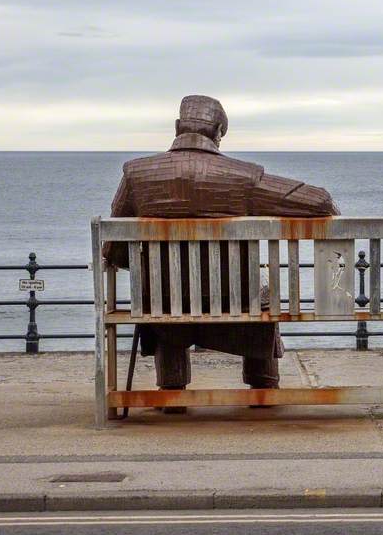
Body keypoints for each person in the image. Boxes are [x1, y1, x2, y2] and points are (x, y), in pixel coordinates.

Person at [103, 95, 338, 407]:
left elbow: (115, 250)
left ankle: (172, 390)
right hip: (237, 301)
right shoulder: (243, 177)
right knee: (261, 295)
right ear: (218, 132)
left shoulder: (136, 175)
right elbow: (320, 202)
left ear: (177, 127)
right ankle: (262, 388)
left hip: (165, 304)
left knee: (164, 293)